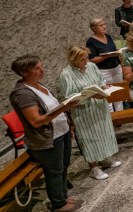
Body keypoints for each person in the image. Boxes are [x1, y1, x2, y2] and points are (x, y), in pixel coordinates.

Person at [10, 55, 82, 212]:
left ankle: (63, 197)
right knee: (54, 172)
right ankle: (58, 204)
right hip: (46, 140)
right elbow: (35, 121)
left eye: (41, 66)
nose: (42, 70)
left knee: (63, 166)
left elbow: (53, 106)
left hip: (61, 132)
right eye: (37, 68)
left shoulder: (38, 85)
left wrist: (68, 126)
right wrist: (64, 108)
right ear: (24, 72)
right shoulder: (23, 93)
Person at [61, 46, 121, 179]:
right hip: (84, 111)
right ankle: (93, 167)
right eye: (81, 59)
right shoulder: (67, 74)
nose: (85, 61)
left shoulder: (92, 66)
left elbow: (100, 81)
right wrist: (91, 96)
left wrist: (105, 87)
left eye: (87, 57)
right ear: (73, 60)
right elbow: (69, 96)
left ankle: (105, 158)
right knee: (89, 138)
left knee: (104, 133)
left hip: (99, 107)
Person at [86, 19, 123, 111]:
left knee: (118, 92)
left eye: (104, 24)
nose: (104, 26)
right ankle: (111, 117)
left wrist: (117, 51)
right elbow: (92, 59)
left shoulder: (108, 37)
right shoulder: (91, 41)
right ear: (94, 28)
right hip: (104, 70)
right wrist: (106, 56)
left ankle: (120, 116)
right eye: (101, 25)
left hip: (116, 67)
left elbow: (112, 49)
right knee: (107, 94)